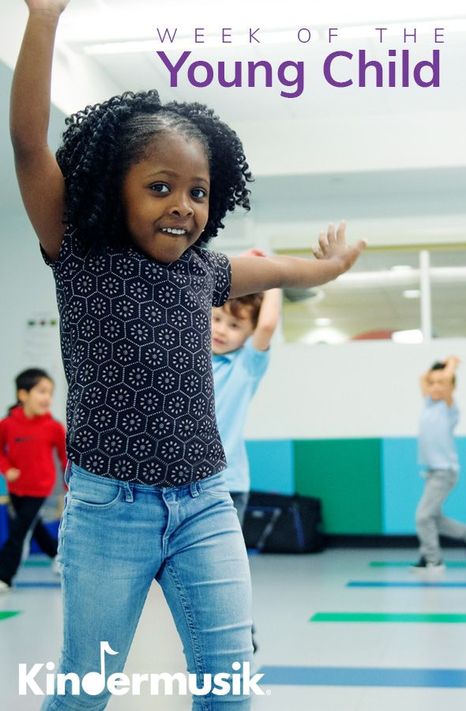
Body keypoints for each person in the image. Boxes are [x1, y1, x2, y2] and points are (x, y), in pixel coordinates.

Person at [10, 1, 365, 707]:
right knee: (83, 690)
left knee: (228, 687)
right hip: (110, 508)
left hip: (205, 501)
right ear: (116, 191)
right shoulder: (81, 255)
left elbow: (278, 271)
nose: (183, 204)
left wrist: (326, 270)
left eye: (197, 191)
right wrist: (43, 20)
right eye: (161, 187)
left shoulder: (203, 270)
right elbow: (27, 146)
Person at [212, 266, 280, 525]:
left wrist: (271, 275)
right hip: (187, 480)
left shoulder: (246, 364)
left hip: (229, 482)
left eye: (234, 325)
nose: (221, 330)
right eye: (216, 319)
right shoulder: (190, 356)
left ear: (250, 333)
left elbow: (268, 324)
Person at [0, 368, 66, 590]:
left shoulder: (54, 427)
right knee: (33, 528)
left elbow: (65, 457)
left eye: (50, 392)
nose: (47, 397)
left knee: (18, 532)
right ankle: (58, 554)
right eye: (41, 391)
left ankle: (4, 576)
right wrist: (6, 468)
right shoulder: (7, 425)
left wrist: (70, 484)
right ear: (23, 395)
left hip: (40, 488)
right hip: (16, 488)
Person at [411, 356, 466, 573]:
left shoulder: (448, 407)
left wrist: (451, 364)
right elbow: (422, 378)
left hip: (444, 472)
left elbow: (447, 382)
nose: (436, 387)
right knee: (434, 518)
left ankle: (433, 560)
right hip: (432, 472)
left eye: (442, 383)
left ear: (450, 387)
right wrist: (434, 372)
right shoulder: (428, 404)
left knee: (422, 517)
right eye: (432, 383)